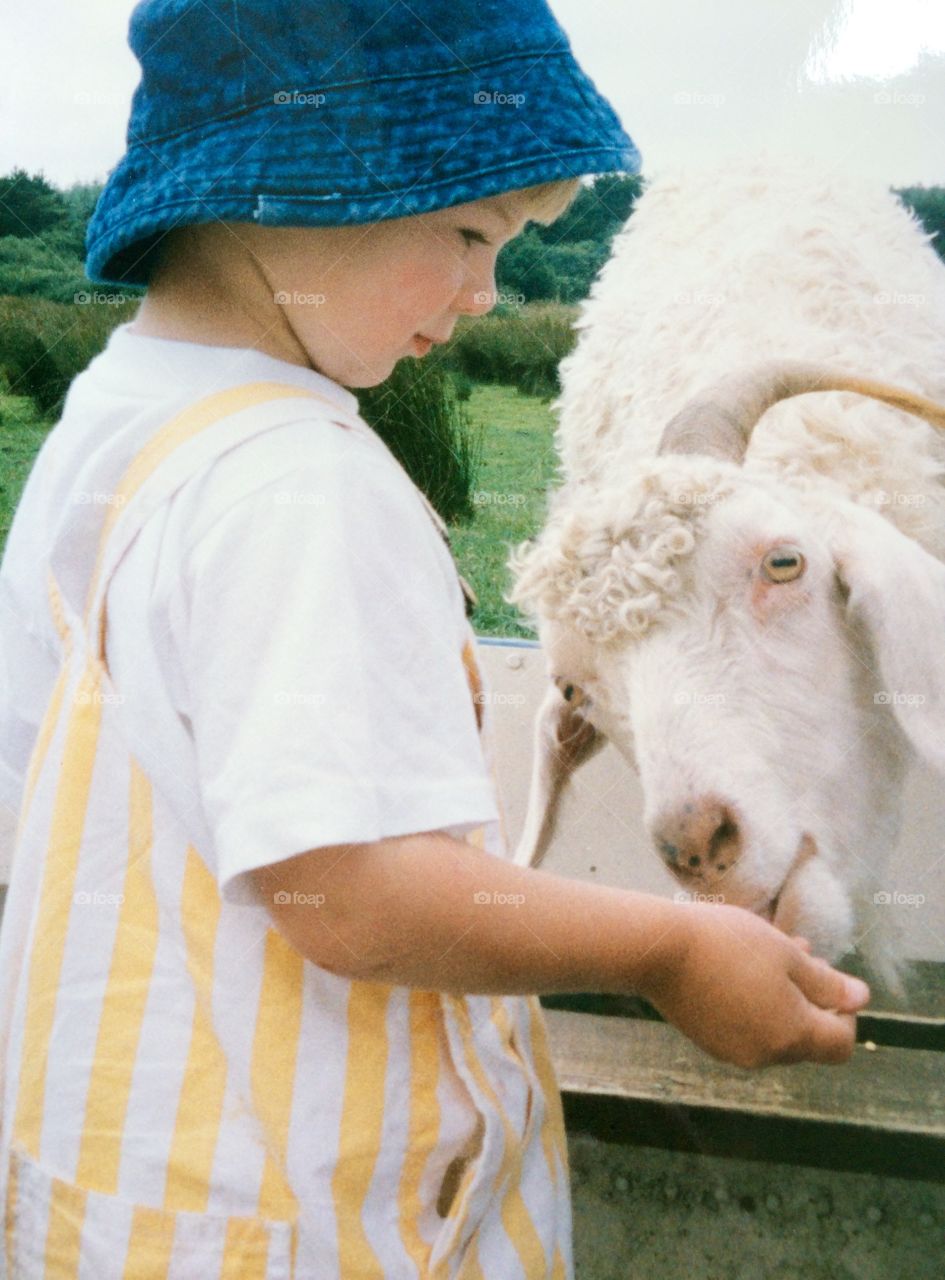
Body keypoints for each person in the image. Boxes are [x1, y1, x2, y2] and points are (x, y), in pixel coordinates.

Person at [0, 1, 870, 1275]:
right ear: (290, 180)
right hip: (305, 1214)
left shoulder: (110, 419)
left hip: (121, 1169)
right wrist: (670, 945)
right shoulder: (292, 480)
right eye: (469, 232)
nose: (483, 294)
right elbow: (345, 889)